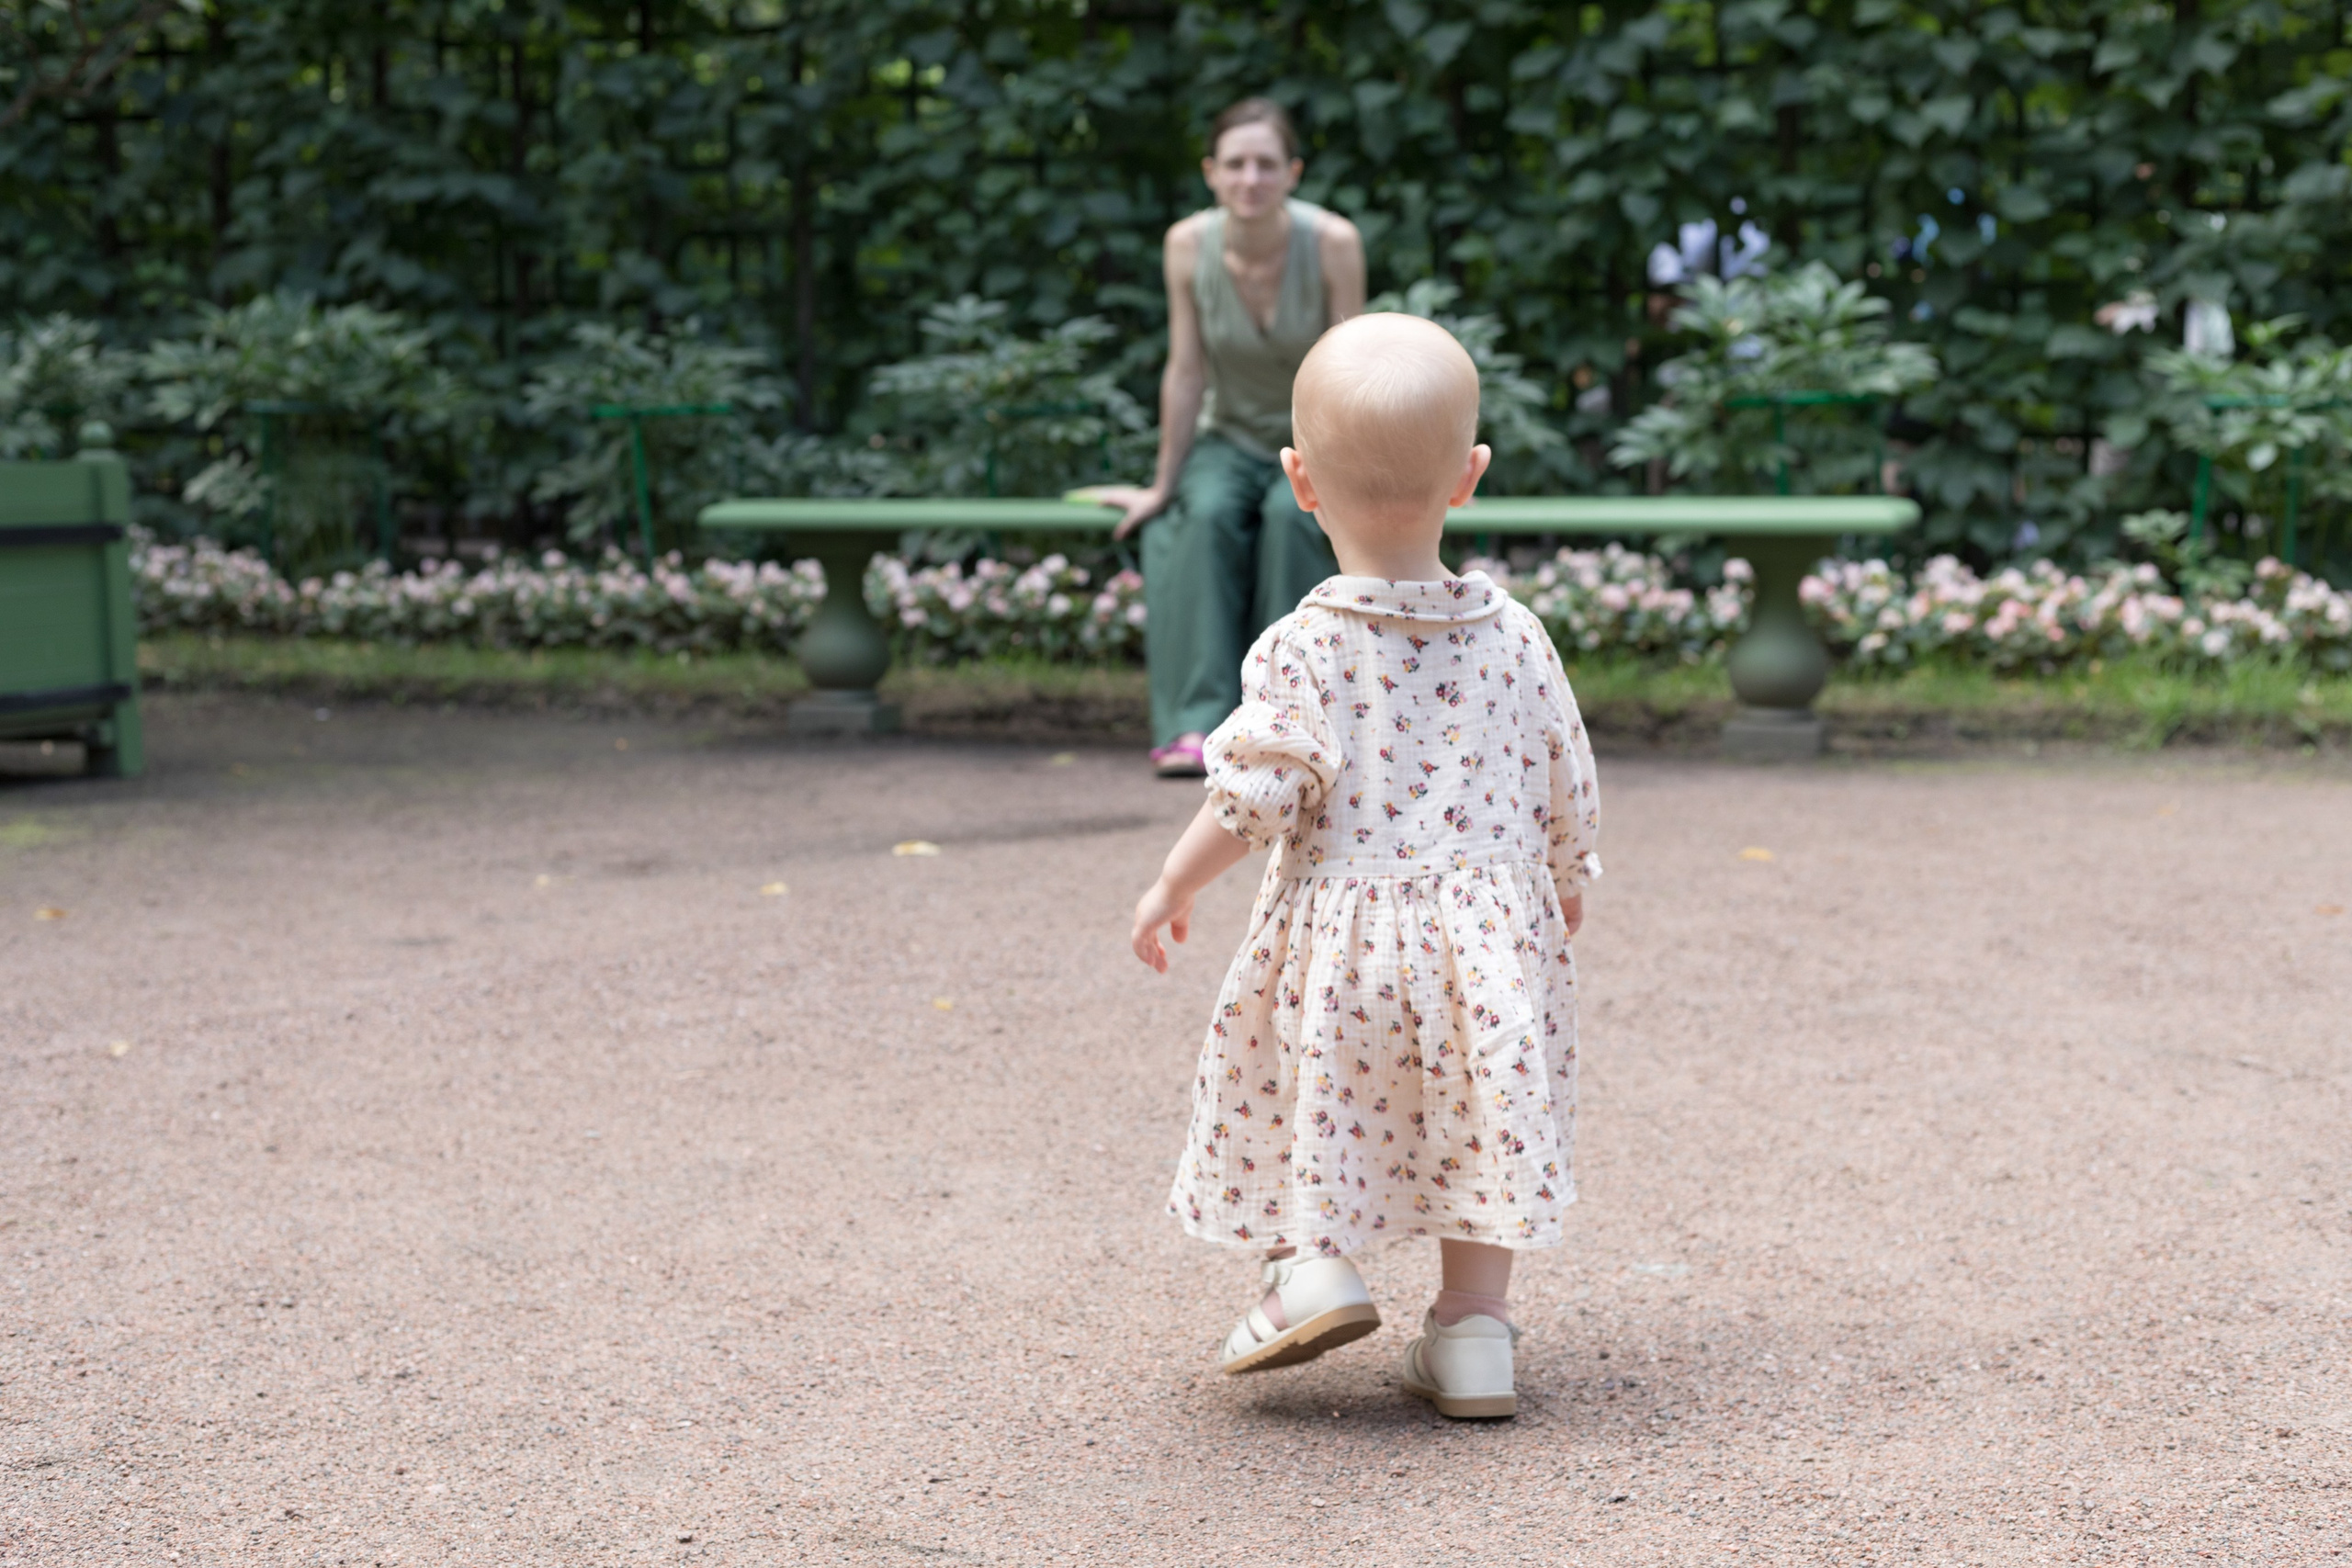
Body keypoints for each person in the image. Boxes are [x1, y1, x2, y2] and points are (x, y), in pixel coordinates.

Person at [1126, 313, 1601, 1420]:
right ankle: (1475, 1335)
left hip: (1344, 941)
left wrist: (1173, 883)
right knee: (1479, 1111)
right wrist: (1565, 877)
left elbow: (1255, 796)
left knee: (1326, 1095)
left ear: (1298, 480)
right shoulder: (1516, 634)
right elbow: (1561, 771)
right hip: (1487, 933)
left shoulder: (1303, 643)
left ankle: (1315, 1266)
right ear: (1470, 477)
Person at [1087, 97, 1365, 777]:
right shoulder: (1187, 244)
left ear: (1292, 173)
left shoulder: (1333, 242)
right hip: (1228, 439)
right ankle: (1192, 726)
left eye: (1266, 164)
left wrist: (1348, 471)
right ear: (1211, 173)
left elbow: (1351, 363)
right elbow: (1186, 371)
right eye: (1235, 164)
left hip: (1311, 441)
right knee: (1201, 517)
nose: (1251, 179)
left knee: (1288, 519)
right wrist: (1162, 484)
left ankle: (1287, 721)